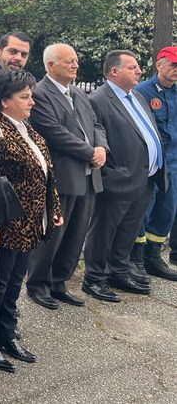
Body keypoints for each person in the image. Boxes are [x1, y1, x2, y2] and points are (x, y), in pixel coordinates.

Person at [0, 69, 63, 372]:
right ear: (4, 101)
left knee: (13, 284)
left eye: (31, 95)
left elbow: (45, 172)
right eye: (24, 97)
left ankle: (7, 334)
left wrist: (54, 208)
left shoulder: (26, 128)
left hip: (30, 224)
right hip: (6, 224)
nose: (31, 101)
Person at [27, 44, 107, 309]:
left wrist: (101, 148)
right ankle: (38, 284)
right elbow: (53, 132)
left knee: (75, 235)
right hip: (63, 176)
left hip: (88, 176)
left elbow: (96, 125)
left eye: (76, 60)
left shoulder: (78, 93)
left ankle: (59, 282)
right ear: (51, 65)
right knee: (53, 235)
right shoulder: (40, 93)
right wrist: (89, 152)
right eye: (69, 61)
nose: (75, 65)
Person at [84, 50, 166, 303]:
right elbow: (95, 136)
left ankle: (118, 272)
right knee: (104, 230)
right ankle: (94, 278)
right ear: (114, 71)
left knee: (128, 230)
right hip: (118, 179)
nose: (139, 71)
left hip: (145, 178)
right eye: (132, 67)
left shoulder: (137, 96)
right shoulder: (98, 99)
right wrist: (109, 174)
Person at [134, 47, 177, 281]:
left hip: (173, 164)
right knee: (144, 211)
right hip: (151, 165)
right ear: (159, 65)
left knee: (166, 211)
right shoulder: (142, 91)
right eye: (173, 64)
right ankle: (136, 257)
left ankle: (153, 256)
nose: (176, 69)